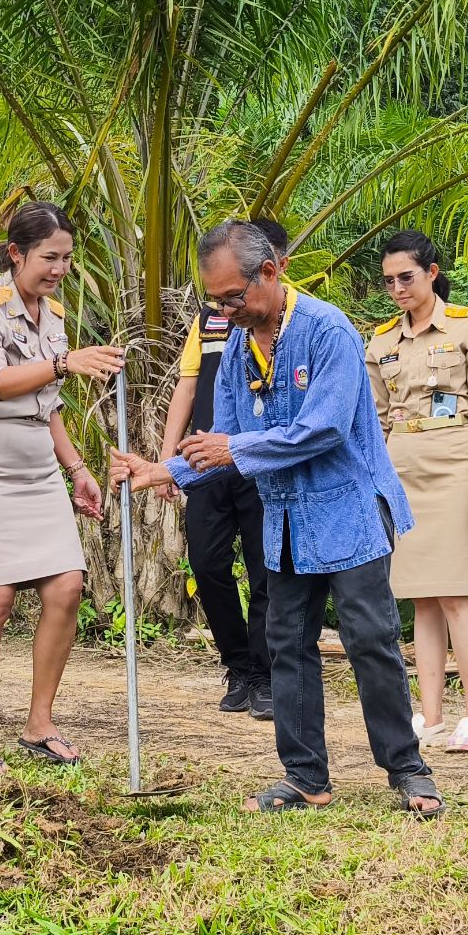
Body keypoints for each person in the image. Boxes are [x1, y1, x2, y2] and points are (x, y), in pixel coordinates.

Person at [111, 220, 447, 820]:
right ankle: (305, 777)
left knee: (369, 639)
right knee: (286, 642)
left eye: (233, 296)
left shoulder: (327, 330)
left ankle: (407, 769)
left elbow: (324, 428)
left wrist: (234, 451)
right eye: (215, 300)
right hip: (286, 517)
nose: (225, 310)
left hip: (347, 508)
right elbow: (228, 438)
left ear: (272, 271)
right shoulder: (239, 344)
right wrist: (162, 471)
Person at [0, 202, 124, 772]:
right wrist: (67, 362)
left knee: (68, 584)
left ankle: (38, 724)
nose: (60, 269)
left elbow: (49, 408)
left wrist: (77, 470)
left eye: (67, 258)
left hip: (37, 463)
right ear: (17, 254)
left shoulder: (53, 315)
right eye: (50, 257)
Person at [363, 231, 468, 753]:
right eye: (389, 280)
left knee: (455, 594)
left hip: (456, 469)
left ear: (432, 272)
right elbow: (373, 421)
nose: (397, 288)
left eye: (407, 277)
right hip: (403, 471)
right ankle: (431, 715)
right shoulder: (381, 342)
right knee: (421, 597)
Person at [161, 219, 290, 722]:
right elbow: (187, 386)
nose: (229, 305)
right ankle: (236, 664)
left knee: (264, 571)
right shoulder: (212, 322)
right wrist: (171, 462)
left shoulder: (297, 326)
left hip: (258, 462)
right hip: (206, 463)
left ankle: (263, 673)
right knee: (207, 565)